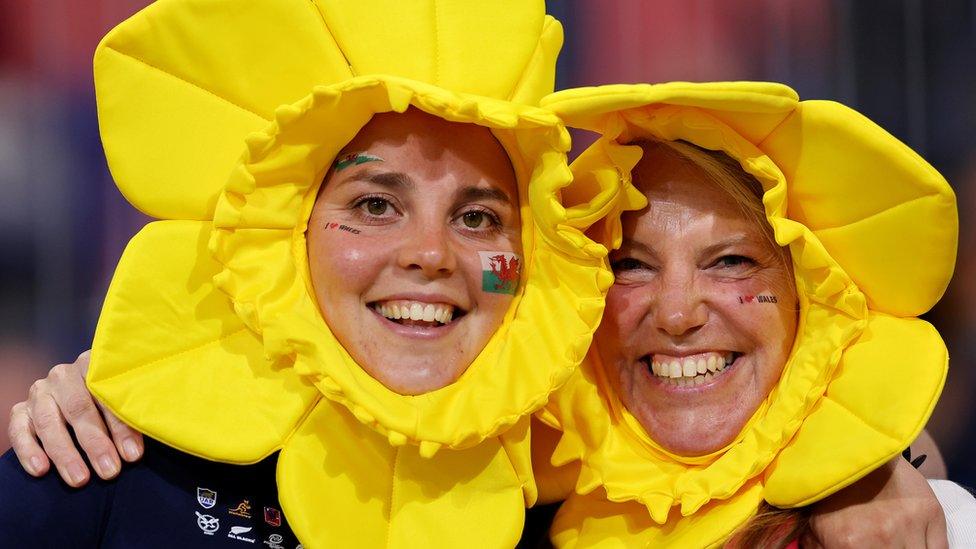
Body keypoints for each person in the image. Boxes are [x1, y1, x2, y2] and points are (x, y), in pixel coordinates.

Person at [0, 1, 621, 547]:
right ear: (289, 233)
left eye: (479, 217)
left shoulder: (575, 507)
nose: (430, 254)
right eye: (376, 206)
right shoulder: (112, 462)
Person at [533, 81, 969, 547]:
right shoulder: (513, 506)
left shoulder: (927, 526)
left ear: (810, 295)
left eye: (730, 262)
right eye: (631, 266)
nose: (677, 314)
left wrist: (864, 465)